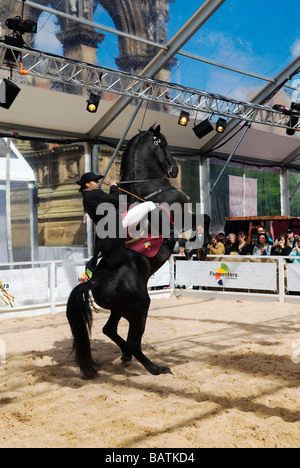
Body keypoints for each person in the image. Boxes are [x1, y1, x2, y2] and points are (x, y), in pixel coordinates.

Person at [77, 172, 156, 276]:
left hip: (111, 227)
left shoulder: (87, 197)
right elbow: (117, 199)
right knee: (149, 205)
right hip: (117, 224)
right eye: (95, 181)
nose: (98, 183)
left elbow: (118, 203)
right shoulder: (94, 193)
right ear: (87, 184)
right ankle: (164, 231)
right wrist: (113, 187)